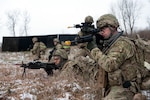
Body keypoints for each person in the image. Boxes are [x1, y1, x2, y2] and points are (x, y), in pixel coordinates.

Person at [90, 14, 149, 100]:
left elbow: (110, 65)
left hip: (126, 87)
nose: (101, 32)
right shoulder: (109, 44)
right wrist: (89, 48)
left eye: (103, 29)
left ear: (113, 27)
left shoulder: (123, 43)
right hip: (111, 86)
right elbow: (98, 61)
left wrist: (94, 49)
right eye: (100, 30)